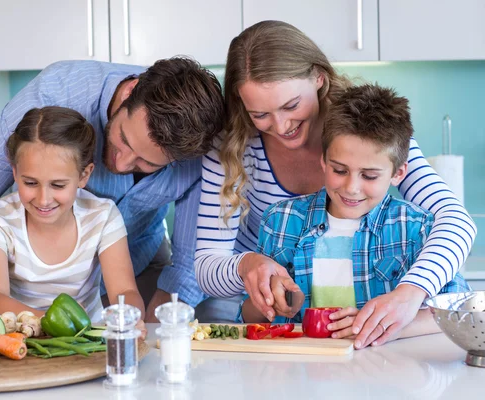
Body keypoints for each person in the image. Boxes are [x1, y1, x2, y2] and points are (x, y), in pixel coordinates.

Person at [195, 21, 476, 349]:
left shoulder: (370, 132)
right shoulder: (232, 148)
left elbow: (455, 220)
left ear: (319, 77)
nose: (281, 126)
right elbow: (206, 265)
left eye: (290, 106)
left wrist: (409, 294)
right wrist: (248, 265)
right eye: (260, 114)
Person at [0, 57, 226, 322]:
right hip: (31, 306)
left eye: (147, 163)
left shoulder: (204, 151)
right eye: (124, 140)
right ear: (129, 92)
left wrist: (145, 333)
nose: (123, 163)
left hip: (140, 264)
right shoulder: (58, 94)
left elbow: (187, 266)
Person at [240, 84, 469, 346]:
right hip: (301, 375)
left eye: (369, 175)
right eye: (339, 170)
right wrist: (274, 303)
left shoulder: (416, 228)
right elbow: (248, 315)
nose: (351, 187)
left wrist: (382, 326)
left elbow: (457, 309)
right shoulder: (281, 221)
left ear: (398, 173)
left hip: (385, 375)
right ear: (324, 161)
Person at [0, 106, 145, 335]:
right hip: (20, 339)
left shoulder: (103, 215)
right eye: (30, 183)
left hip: (85, 342)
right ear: (15, 172)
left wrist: (130, 317)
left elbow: (124, 290)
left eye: (58, 185)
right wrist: (57, 324)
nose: (44, 199)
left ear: (83, 176)